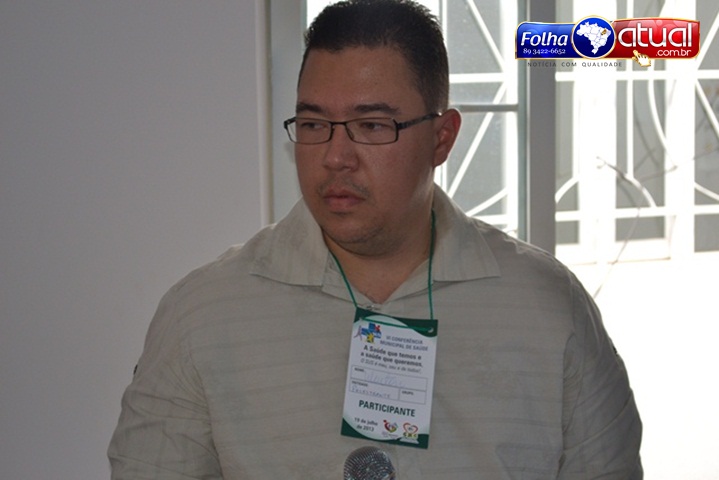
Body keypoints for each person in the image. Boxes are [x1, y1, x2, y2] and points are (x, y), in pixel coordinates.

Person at [108, 1, 643, 478]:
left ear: (442, 138)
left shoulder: (548, 308)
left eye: (371, 126)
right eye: (314, 125)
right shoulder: (202, 316)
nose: (335, 156)